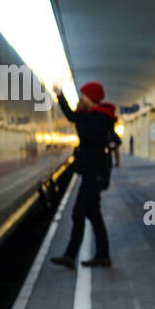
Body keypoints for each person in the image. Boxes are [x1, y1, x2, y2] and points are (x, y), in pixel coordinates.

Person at [51, 81, 117, 268]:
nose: (81, 98)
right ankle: (102, 256)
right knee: (94, 215)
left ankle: (71, 256)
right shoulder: (93, 115)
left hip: (94, 172)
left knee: (78, 213)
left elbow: (87, 135)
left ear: (92, 97)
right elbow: (73, 117)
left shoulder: (100, 117)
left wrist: (80, 116)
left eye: (84, 95)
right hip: (91, 171)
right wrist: (60, 96)